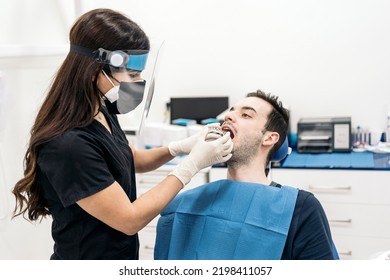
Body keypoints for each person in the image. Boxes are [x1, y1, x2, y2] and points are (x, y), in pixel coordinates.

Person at [11, 8, 233, 260]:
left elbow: (130, 158)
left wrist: (179, 147)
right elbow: (129, 219)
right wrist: (190, 166)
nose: (137, 82)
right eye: (133, 74)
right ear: (96, 70)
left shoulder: (100, 109)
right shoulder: (68, 144)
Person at [154, 90, 339, 260]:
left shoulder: (299, 209)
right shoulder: (180, 205)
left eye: (246, 115)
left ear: (269, 138)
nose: (228, 116)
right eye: (231, 112)